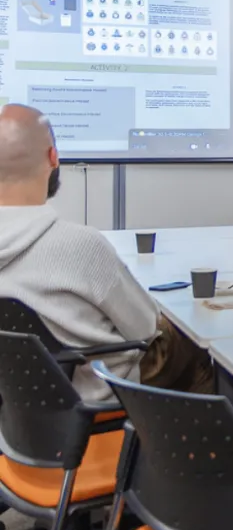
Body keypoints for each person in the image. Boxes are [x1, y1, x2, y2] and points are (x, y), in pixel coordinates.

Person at [0, 104, 212, 403]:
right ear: (53, 157)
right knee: (190, 349)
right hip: (92, 395)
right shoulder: (80, 245)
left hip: (15, 403)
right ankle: (185, 447)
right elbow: (145, 326)